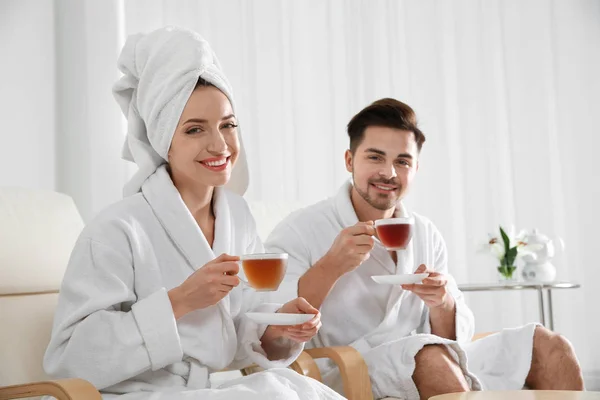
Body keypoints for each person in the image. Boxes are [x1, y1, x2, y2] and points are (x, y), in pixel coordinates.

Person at [43, 27, 345, 400]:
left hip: (209, 389)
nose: (219, 144)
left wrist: (280, 330)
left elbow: (240, 331)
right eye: (195, 129)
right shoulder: (116, 229)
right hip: (131, 394)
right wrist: (181, 299)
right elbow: (70, 360)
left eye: (228, 125)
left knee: (309, 392)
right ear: (163, 142)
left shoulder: (237, 216)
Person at [265, 98, 584, 400]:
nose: (389, 173)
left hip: (432, 354)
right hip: (348, 366)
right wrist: (331, 265)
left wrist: (442, 302)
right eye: (375, 157)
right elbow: (272, 333)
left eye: (402, 162)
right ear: (350, 160)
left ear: (416, 169)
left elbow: (450, 336)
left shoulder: (425, 232)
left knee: (549, 346)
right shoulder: (300, 229)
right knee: (429, 356)